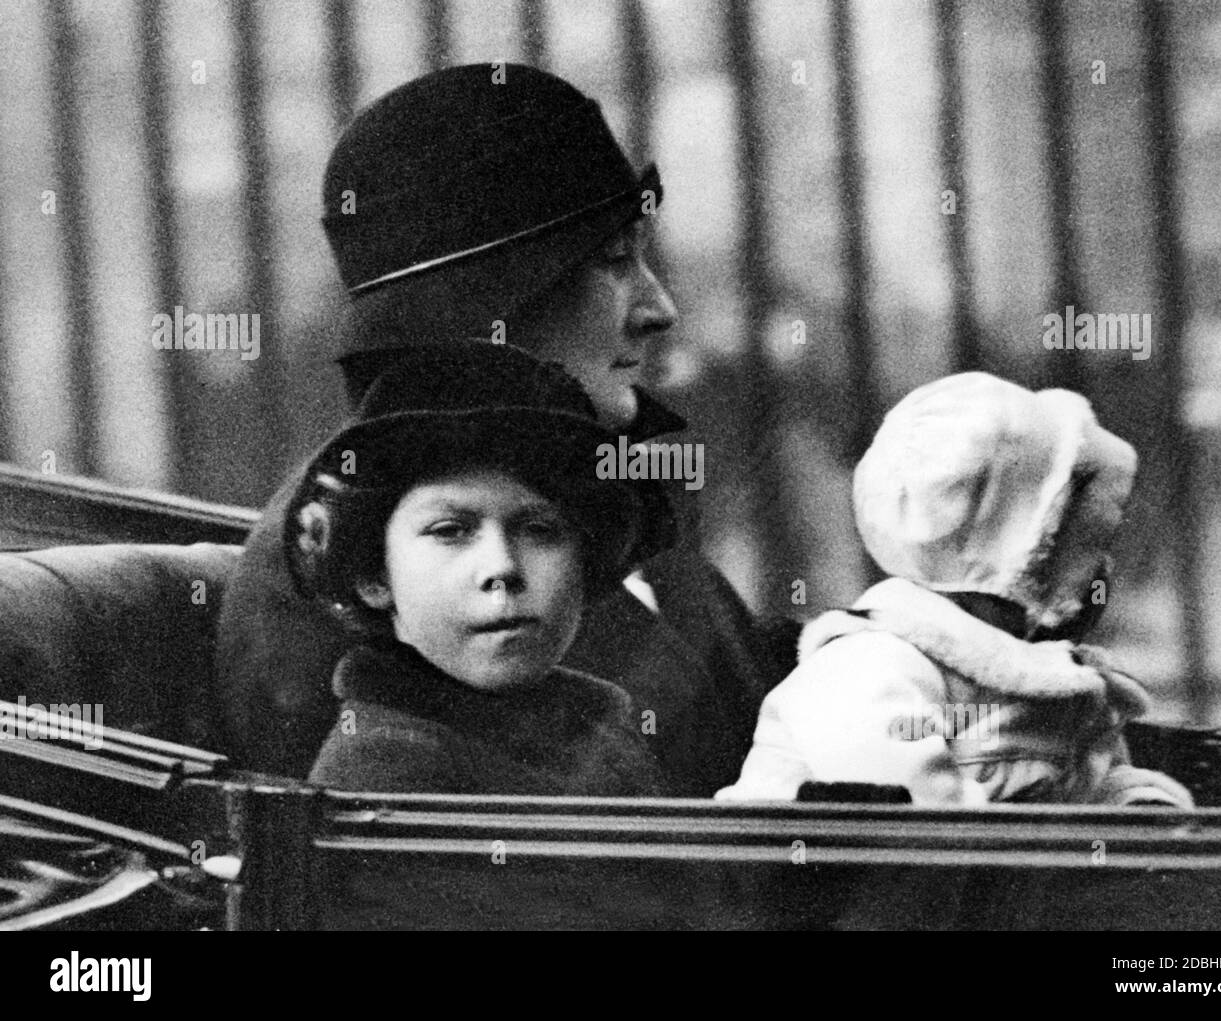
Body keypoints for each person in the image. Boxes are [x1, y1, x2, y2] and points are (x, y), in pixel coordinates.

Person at [215, 63, 799, 795]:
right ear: (495, 303)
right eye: (615, 262)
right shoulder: (339, 574)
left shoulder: (598, 478)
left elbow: (733, 686)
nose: (658, 309)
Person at [715, 373, 1194, 808]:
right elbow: (922, 832)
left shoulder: (1043, 674)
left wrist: (1128, 807)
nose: (1101, 570)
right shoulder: (869, 668)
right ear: (1025, 549)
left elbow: (1082, 786)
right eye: (1082, 544)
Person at [290, 340, 668, 795]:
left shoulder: (604, 734)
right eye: (450, 530)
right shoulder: (386, 774)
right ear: (373, 575)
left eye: (541, 529)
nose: (502, 568)